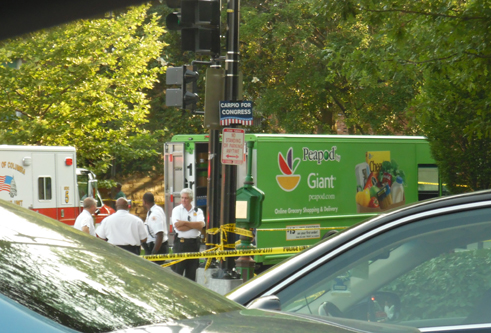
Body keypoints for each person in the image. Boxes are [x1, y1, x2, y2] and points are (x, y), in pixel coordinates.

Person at [171, 188, 204, 281]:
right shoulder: (176, 210)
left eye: (186, 198)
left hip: (194, 244)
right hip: (181, 244)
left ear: (191, 199)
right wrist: (194, 225)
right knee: (178, 274)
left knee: (192, 274)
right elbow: (179, 228)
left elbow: (201, 225)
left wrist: (184, 223)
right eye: (182, 198)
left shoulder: (198, 211)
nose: (183, 200)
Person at [142, 192, 168, 263]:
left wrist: (153, 253)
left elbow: (159, 235)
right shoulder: (154, 210)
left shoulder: (154, 214)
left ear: (145, 202)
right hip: (156, 246)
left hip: (157, 247)